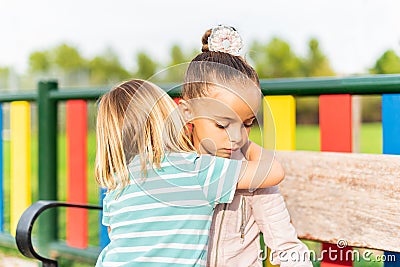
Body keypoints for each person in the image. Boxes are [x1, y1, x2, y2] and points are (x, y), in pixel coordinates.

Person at [94, 79, 285, 266]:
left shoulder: (116, 184)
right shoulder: (196, 171)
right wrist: (243, 142)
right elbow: (273, 171)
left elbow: (116, 237)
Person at [180, 25, 312, 266]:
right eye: (222, 125)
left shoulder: (256, 175)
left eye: (247, 124)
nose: (236, 137)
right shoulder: (173, 166)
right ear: (187, 112)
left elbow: (285, 244)